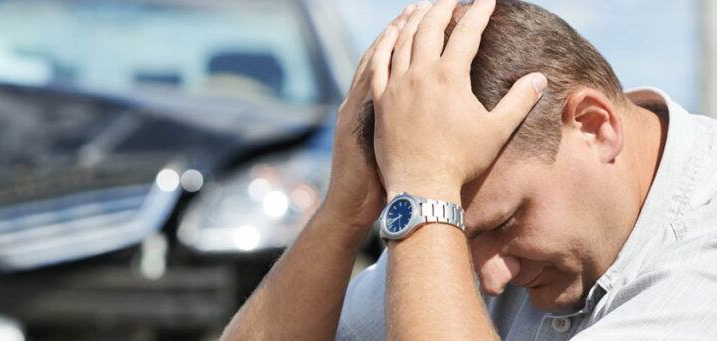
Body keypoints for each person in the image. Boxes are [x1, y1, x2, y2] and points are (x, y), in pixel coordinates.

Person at [220, 0, 717, 340]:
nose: (489, 278)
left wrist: (428, 195)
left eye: (506, 222)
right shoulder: (453, 214)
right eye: (461, 238)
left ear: (594, 127)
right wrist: (342, 215)